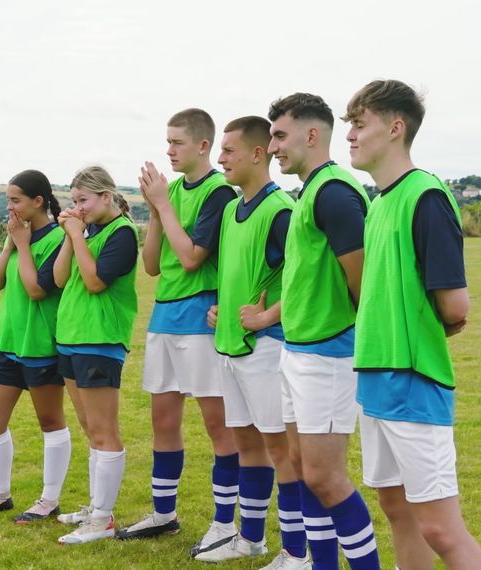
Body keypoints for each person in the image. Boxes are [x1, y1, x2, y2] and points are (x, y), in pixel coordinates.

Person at [345, 79, 481, 569]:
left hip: (413, 382)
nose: (350, 136)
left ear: (395, 127)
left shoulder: (425, 196)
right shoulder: (379, 201)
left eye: (359, 125)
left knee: (439, 527)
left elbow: (456, 305)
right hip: (375, 381)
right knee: (397, 511)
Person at [117, 108, 240, 558]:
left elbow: (190, 259)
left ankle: (226, 524)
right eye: (166, 142)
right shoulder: (168, 197)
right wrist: (153, 211)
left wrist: (164, 204)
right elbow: (152, 265)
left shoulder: (218, 193)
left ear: (203, 145)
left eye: (177, 143)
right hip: (165, 317)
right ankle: (164, 514)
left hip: (201, 318)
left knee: (218, 426)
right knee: (163, 421)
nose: (169, 150)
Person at [268, 93, 380, 570]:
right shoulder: (308, 191)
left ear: (311, 135)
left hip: (329, 356)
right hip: (298, 350)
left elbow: (362, 284)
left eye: (279, 135)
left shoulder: (334, 191)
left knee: (326, 476)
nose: (272, 146)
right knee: (303, 471)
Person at [193, 115, 308, 569]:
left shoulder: (281, 210)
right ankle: (252, 539)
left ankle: (298, 554)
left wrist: (265, 317)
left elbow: (305, 282)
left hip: (267, 349)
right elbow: (236, 273)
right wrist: (221, 308)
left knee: (282, 450)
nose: (220, 158)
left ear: (257, 154)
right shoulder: (228, 209)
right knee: (247, 445)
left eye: (228, 151)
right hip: (229, 346)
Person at [0, 170, 72, 524]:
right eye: (7, 200)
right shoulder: (17, 236)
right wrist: (11, 244)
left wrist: (23, 245)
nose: (9, 207)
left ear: (38, 202)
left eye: (15, 200)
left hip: (41, 346)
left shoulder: (58, 239)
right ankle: (0, 495)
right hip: (7, 345)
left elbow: (37, 289)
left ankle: (49, 500)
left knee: (50, 420)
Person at [52, 166, 140, 545]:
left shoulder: (123, 233)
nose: (78, 208)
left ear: (107, 196)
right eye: (73, 202)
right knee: (90, 428)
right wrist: (73, 238)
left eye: (83, 200)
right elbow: (58, 278)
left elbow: (94, 281)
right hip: (71, 338)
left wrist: (76, 233)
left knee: (105, 431)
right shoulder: (87, 231)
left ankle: (102, 519)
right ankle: (95, 508)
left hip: (100, 342)